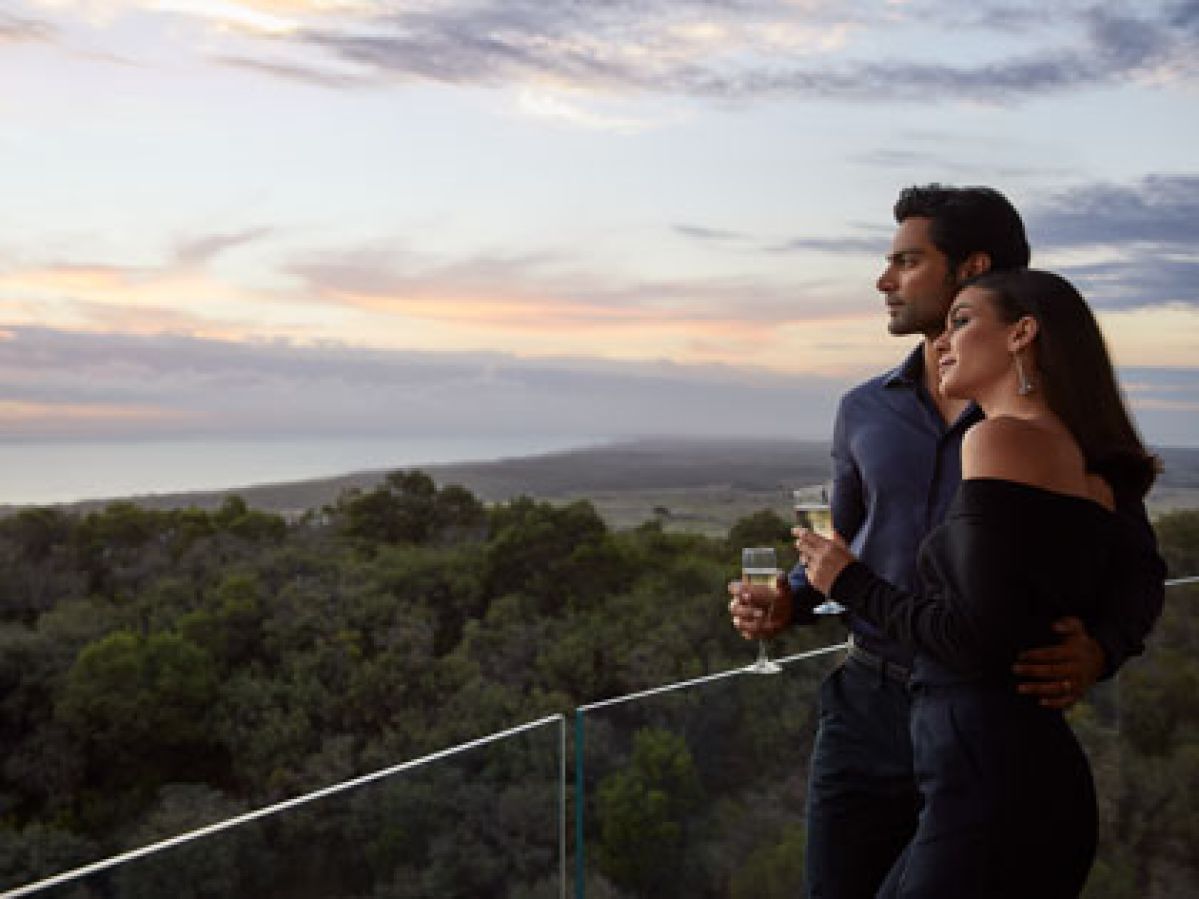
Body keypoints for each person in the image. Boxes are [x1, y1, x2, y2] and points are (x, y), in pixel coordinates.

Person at [728, 185, 1165, 898]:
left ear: (972, 268)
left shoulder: (1044, 422)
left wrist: (1100, 648)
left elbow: (1134, 567)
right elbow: (848, 542)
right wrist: (789, 602)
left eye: (906, 261)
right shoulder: (862, 409)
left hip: (983, 713)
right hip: (865, 707)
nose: (883, 280)